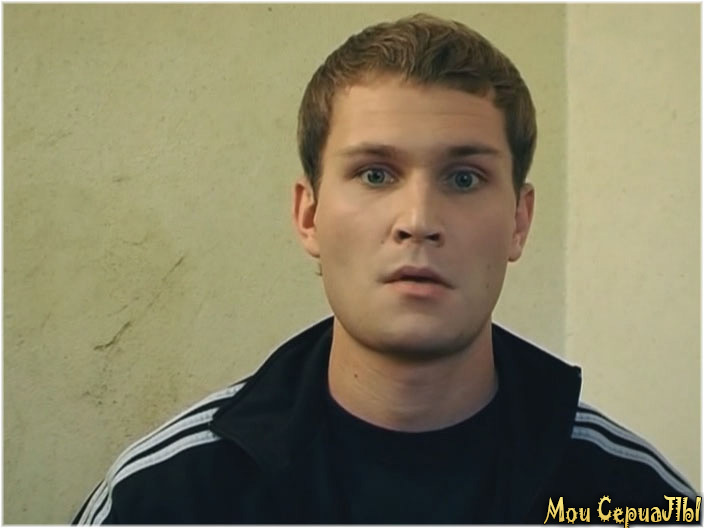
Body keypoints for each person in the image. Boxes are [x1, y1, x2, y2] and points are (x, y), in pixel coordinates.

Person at [73, 13, 698, 524]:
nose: (418, 220)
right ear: (309, 216)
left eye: (464, 178)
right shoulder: (163, 498)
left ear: (519, 220)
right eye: (375, 174)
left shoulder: (632, 500)